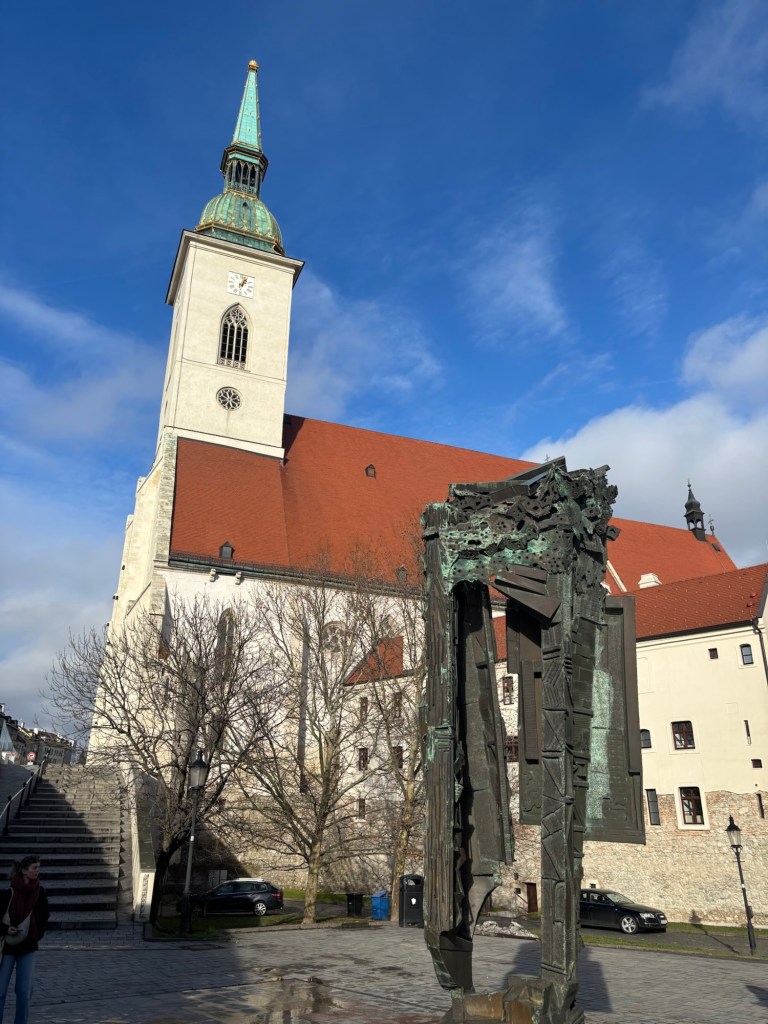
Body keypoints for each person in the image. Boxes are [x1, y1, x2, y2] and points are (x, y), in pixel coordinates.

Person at [0, 856, 49, 1024]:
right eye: (34, 868)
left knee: (24, 992)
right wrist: (6, 929)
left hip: (28, 947)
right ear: (24, 871)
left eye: (38, 867)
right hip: (7, 947)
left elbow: (44, 916)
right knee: (0, 991)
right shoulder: (8, 893)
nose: (38, 871)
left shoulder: (40, 892)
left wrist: (36, 935)